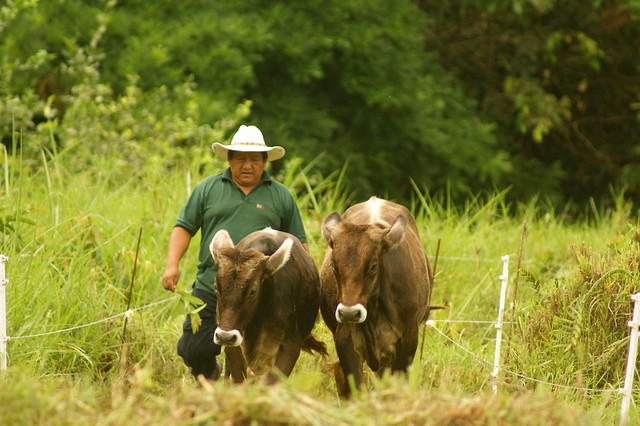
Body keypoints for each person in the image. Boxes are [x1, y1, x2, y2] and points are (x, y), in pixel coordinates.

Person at [161, 124, 309, 380]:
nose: (247, 165)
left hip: (260, 292)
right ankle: (209, 374)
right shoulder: (208, 188)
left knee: (243, 350)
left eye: (254, 159)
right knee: (193, 349)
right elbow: (184, 227)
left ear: (265, 162)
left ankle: (235, 393)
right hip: (213, 284)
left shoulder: (281, 195)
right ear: (229, 160)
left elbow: (298, 245)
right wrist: (172, 265)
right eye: (240, 159)